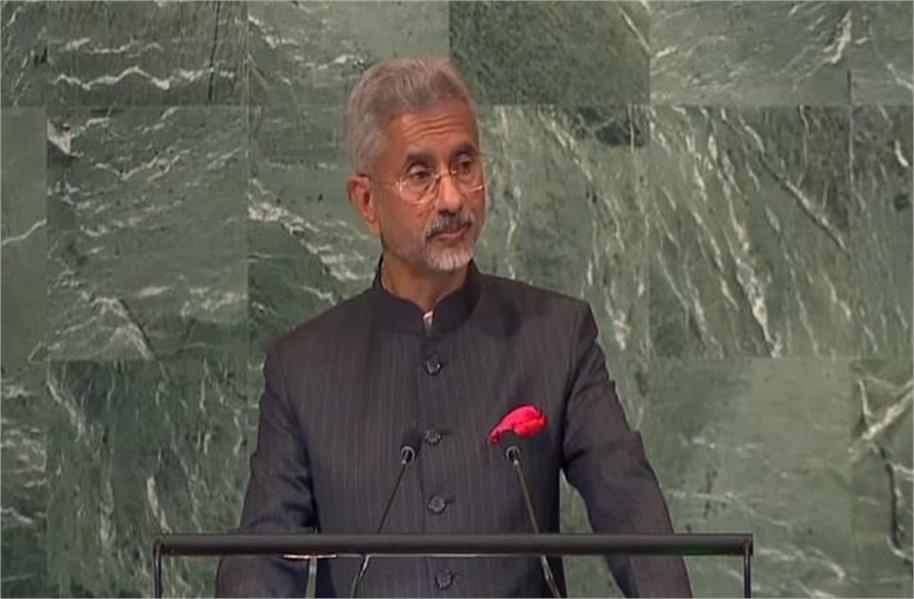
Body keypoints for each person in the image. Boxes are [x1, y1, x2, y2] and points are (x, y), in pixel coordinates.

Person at [216, 56, 691, 598]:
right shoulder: (303, 368)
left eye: (464, 165)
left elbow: (631, 512)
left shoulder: (556, 335)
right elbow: (260, 567)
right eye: (420, 175)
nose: (452, 198)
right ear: (367, 202)